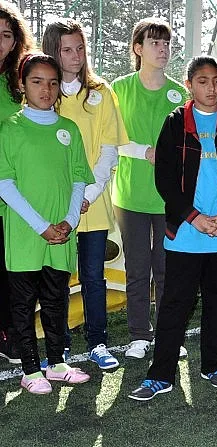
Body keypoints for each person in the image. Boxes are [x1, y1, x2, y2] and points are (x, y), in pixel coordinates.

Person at [128, 56, 217, 401]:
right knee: (175, 304)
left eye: (216, 81)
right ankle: (161, 376)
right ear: (189, 85)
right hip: (186, 232)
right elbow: (165, 179)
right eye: (203, 81)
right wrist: (194, 217)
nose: (211, 88)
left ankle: (213, 366)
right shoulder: (174, 123)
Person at [0, 53, 95, 394]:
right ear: (23, 85)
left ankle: (56, 363)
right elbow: (4, 183)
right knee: (23, 306)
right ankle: (29, 370)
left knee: (57, 300)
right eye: (37, 81)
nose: (46, 89)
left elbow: (79, 179)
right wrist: (41, 225)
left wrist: (69, 221)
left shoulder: (67, 129)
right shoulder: (9, 129)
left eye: (53, 82)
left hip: (61, 234)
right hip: (26, 236)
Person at [42, 18, 128, 371]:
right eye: (67, 49)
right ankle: (59, 346)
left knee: (93, 275)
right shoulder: (43, 93)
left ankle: (98, 342)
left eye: (80, 48)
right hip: (55, 205)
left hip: (91, 203)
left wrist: (88, 193)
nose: (75, 56)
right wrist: (65, 198)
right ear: (52, 52)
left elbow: (109, 151)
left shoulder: (101, 91)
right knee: (57, 278)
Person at [112, 18, 189, 360]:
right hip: (130, 197)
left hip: (170, 199)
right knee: (138, 269)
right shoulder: (119, 88)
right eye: (155, 43)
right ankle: (140, 336)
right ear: (137, 48)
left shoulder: (181, 93)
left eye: (166, 43)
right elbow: (110, 141)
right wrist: (144, 151)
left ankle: (169, 336)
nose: (162, 49)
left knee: (168, 270)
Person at [0, 1, 33, 365]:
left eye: (7, 35)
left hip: (13, 194)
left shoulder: (18, 82)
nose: (0, 42)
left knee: (11, 273)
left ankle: (9, 335)